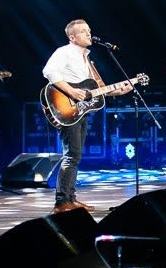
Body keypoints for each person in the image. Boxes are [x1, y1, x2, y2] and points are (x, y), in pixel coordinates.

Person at [41, 19, 131, 213]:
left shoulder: (88, 59)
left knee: (76, 155)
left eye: (88, 30)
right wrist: (72, 92)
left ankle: (70, 199)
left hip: (80, 111)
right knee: (71, 155)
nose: (89, 34)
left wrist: (118, 91)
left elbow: (97, 89)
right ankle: (61, 202)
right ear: (72, 38)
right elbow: (49, 71)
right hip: (67, 107)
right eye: (83, 31)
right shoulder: (64, 52)